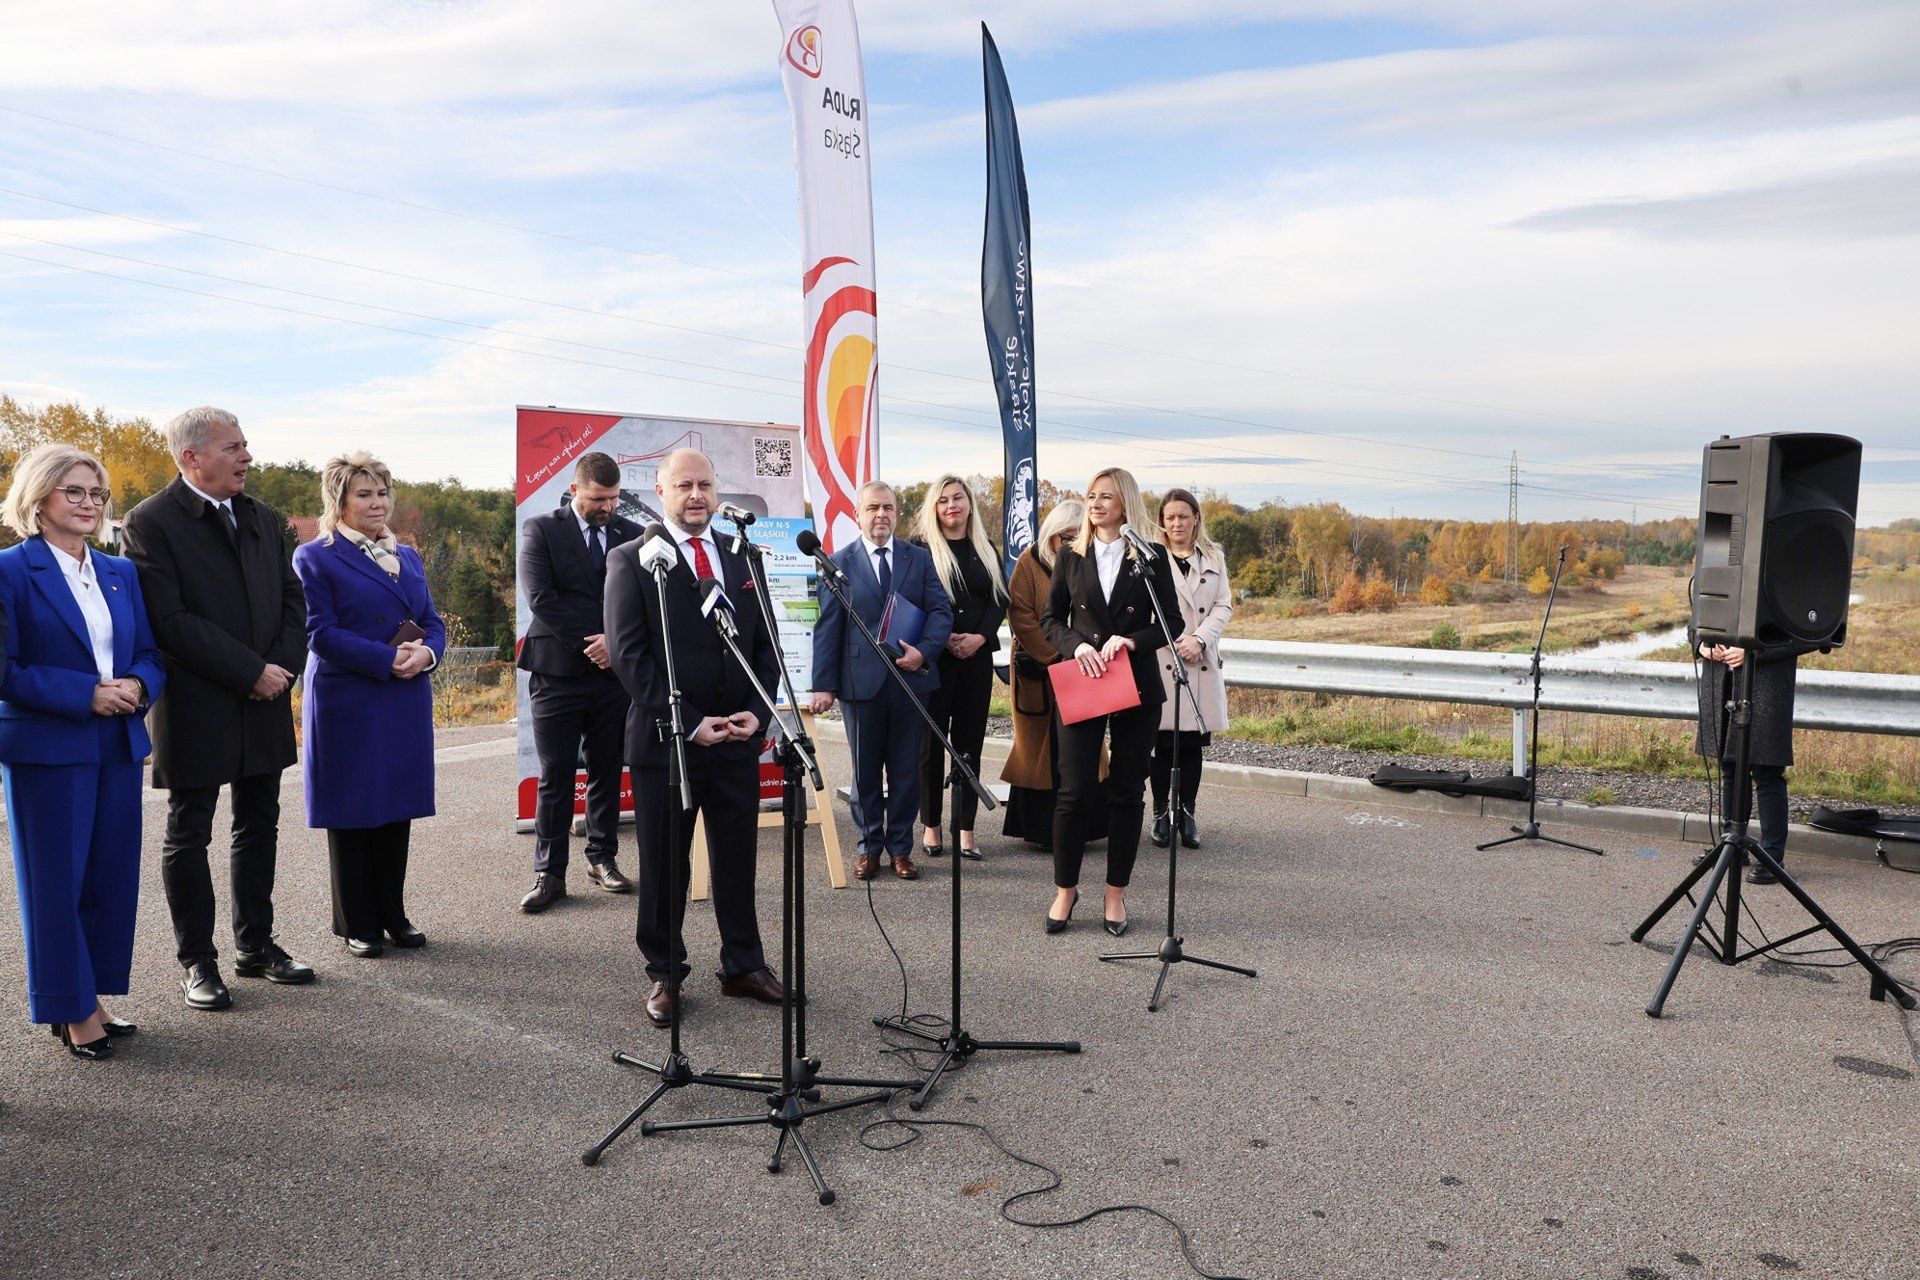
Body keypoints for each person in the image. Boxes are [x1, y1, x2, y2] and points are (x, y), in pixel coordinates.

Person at [122, 406, 314, 1012]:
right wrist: (248, 671)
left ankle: (255, 945)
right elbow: (169, 621)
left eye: (245, 445)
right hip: (199, 702)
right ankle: (197, 962)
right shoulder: (150, 521)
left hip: (266, 696)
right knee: (190, 832)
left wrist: (280, 671)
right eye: (233, 447)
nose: (246, 457)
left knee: (259, 824)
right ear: (191, 458)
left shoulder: (260, 515)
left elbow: (291, 596)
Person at [605, 449, 785, 1028]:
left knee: (737, 859)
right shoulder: (631, 560)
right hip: (667, 742)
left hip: (735, 739)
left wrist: (757, 713)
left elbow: (766, 647)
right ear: (660, 490)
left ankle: (743, 965)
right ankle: (664, 972)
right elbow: (630, 657)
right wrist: (686, 721)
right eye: (683, 485)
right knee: (665, 867)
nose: (696, 495)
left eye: (705, 484)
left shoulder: (742, 556)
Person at [0, 444, 166, 1057]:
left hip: (117, 743)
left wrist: (139, 685)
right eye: (74, 492)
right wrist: (85, 694)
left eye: (97, 494)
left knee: (107, 877)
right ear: (38, 499)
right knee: (55, 884)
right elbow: (4, 670)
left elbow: (150, 652)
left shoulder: (119, 573)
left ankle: (87, 996)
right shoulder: (10, 570)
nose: (89, 503)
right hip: (47, 747)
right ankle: (71, 1013)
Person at [292, 453, 446, 957]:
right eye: (364, 493)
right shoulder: (314, 557)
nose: (376, 502)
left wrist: (427, 653)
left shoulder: (409, 555)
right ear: (338, 500)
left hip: (403, 692)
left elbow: (432, 619)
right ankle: (357, 921)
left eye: (382, 492)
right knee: (354, 808)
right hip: (349, 696)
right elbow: (320, 632)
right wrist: (386, 659)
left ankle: (392, 913)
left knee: (395, 805)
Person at [1041, 467, 1176, 938]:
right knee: (1074, 790)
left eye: (1106, 497)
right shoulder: (1071, 555)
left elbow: (1171, 623)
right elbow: (1050, 618)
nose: (1095, 504)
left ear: (1126, 504)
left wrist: (1132, 641)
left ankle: (1115, 894)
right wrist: (1076, 645)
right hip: (1085, 678)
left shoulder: (1151, 555)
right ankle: (1065, 890)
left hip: (1136, 684)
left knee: (1125, 791)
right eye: (1091, 496)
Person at [516, 452, 643, 912]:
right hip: (557, 672)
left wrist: (615, 643)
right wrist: (594, 642)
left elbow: (641, 599)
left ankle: (602, 858)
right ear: (575, 490)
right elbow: (542, 599)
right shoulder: (541, 530)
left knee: (608, 768)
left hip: (614, 676)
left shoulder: (633, 535)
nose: (607, 507)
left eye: (613, 498)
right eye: (597, 499)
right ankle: (549, 873)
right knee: (556, 775)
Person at [809, 482, 953, 881]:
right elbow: (827, 628)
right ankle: (869, 847)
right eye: (873, 507)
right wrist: (823, 684)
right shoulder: (837, 563)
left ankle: (901, 850)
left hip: (911, 682)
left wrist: (923, 651)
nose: (881, 515)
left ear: (896, 513)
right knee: (866, 771)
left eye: (888, 507)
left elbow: (941, 611)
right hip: (861, 684)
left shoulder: (918, 559)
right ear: (858, 514)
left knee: (907, 770)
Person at [908, 475, 1007, 861]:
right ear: (934, 507)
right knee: (930, 746)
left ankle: (965, 828)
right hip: (934, 660)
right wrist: (944, 636)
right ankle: (931, 825)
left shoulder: (986, 548)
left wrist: (980, 638)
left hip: (976, 661)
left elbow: (999, 600)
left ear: (969, 504)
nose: (952, 505)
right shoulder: (920, 549)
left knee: (969, 745)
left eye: (959, 498)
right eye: (944, 499)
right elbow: (912, 599)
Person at [1001, 500, 1106, 852]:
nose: (1074, 544)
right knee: (1039, 749)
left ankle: (1084, 827)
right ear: (1052, 535)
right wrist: (1056, 656)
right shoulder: (1029, 563)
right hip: (1040, 671)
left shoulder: (1092, 563)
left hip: (1084, 668)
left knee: (1082, 746)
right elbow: (1022, 616)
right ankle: (1041, 830)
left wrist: (1082, 655)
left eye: (1081, 538)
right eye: (1066, 538)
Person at [1149, 488, 1233, 851]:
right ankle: (1159, 813)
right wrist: (1178, 641)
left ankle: (1187, 813)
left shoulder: (1214, 556)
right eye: (1170, 517)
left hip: (1200, 660)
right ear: (1162, 523)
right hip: (1165, 659)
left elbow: (1223, 606)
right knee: (1162, 745)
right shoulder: (1151, 558)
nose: (1177, 523)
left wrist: (1198, 640)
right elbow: (1147, 609)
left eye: (1183, 516)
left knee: (1192, 747)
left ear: (1196, 517)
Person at [1696, 637, 1804, 885]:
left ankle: (1772, 857)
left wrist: (1756, 651)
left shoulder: (1786, 594)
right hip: (1722, 683)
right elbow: (1697, 618)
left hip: (1767, 686)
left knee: (1767, 774)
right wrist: (1700, 644)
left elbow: (1805, 635)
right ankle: (1731, 845)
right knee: (1730, 768)